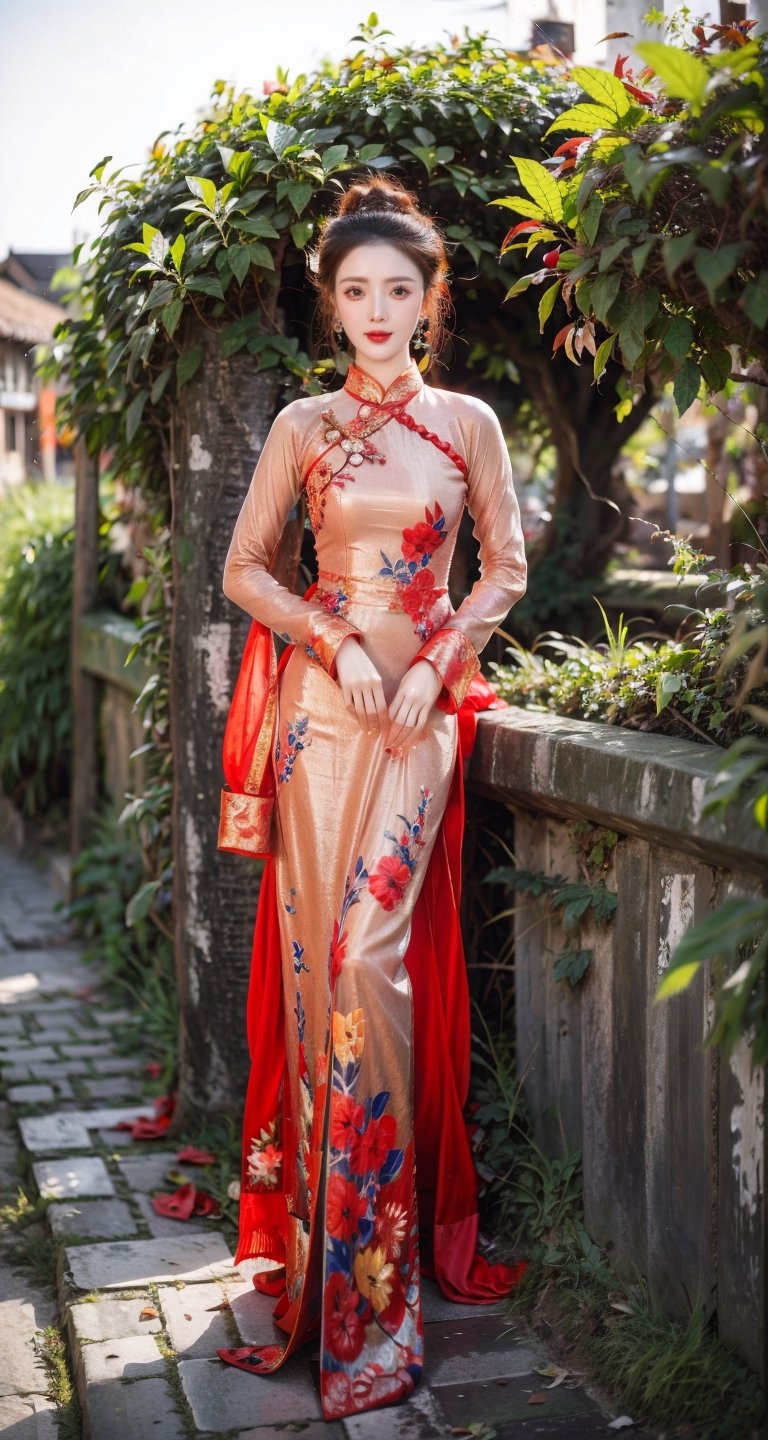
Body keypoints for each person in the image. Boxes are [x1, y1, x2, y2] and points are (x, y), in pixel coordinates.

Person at [215, 175, 528, 1422]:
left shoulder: (468, 426)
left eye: (400, 289)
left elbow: (505, 563)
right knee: (313, 975)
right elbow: (242, 565)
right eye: (356, 292)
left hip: (418, 725)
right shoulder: (302, 426)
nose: (379, 310)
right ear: (331, 302)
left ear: (430, 297)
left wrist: (437, 662)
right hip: (321, 719)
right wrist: (332, 642)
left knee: (365, 962)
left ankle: (377, 1285)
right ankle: (314, 1262)